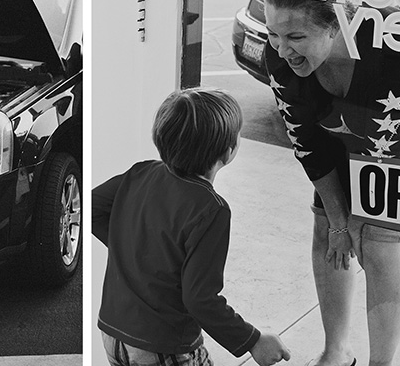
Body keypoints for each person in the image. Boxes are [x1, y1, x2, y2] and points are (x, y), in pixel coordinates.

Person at [263, 0, 400, 366]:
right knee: (328, 228)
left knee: (376, 236)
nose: (281, 49)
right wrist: (338, 221)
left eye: (295, 37)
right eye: (274, 33)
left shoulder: (396, 53)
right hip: (358, 109)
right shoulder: (280, 56)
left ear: (336, 24)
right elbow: (308, 143)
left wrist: (354, 223)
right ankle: (336, 351)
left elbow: (381, 162)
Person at [92, 88, 292, 366]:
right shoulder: (211, 210)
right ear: (228, 150)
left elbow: (91, 207)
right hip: (164, 344)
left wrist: (132, 248)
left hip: (114, 334)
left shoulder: (140, 173)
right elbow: (200, 298)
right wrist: (253, 340)